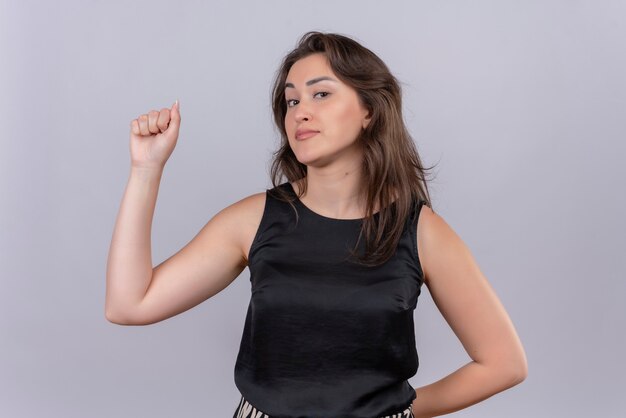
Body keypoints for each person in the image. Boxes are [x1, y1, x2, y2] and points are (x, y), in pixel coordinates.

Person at [106, 31, 527, 418]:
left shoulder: (421, 231)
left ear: (369, 111)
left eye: (321, 94)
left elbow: (503, 363)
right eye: (292, 101)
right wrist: (146, 169)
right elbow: (130, 305)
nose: (301, 112)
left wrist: (400, 413)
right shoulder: (253, 220)